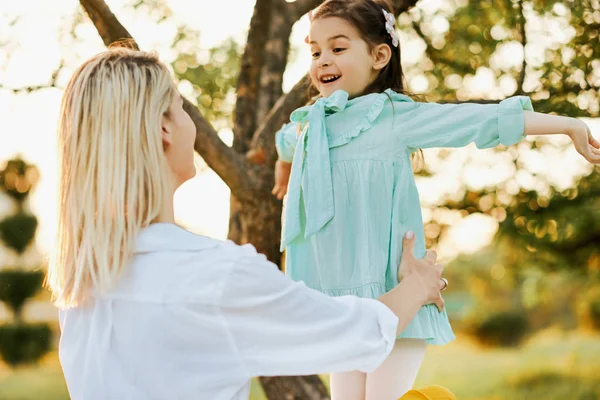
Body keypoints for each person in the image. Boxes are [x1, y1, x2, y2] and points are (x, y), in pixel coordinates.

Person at [45, 47, 448, 400]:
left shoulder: (84, 282)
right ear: (165, 128)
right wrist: (420, 283)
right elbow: (357, 332)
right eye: (182, 107)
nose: (191, 123)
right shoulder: (215, 276)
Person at [271, 0, 600, 399]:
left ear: (379, 55)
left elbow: (477, 120)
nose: (323, 59)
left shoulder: (393, 117)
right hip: (345, 309)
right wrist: (285, 167)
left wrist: (567, 125)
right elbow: (285, 140)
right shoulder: (311, 125)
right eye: (315, 50)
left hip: (399, 297)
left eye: (338, 48)